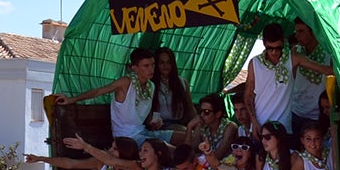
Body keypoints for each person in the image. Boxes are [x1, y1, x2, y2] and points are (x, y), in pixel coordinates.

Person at [54, 47, 182, 144]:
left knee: (186, 137)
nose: (151, 69)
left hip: (144, 132)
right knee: (167, 149)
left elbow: (145, 117)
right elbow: (98, 92)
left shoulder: (151, 86)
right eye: (146, 66)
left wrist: (154, 122)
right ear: (135, 68)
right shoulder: (126, 82)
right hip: (126, 138)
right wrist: (72, 99)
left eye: (153, 65)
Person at [240, 23, 333, 137]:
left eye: (278, 48)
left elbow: (324, 69)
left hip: (283, 130)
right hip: (260, 128)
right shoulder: (254, 63)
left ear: (283, 42)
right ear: (264, 43)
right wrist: (253, 121)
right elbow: (248, 95)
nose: (274, 52)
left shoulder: (293, 58)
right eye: (270, 48)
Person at [289, 17, 332, 137]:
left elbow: (333, 72)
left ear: (313, 31)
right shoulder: (295, 51)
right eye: (296, 31)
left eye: (301, 31)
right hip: (296, 111)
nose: (297, 35)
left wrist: (305, 62)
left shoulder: (328, 52)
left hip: (318, 115)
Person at [184, 93, 239, 158]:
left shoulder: (229, 127)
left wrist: (198, 156)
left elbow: (218, 156)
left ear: (218, 114)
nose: (201, 115)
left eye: (206, 112)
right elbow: (188, 152)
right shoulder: (202, 126)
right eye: (200, 111)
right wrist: (189, 126)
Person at [150, 47, 193, 127]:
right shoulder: (151, 84)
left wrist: (198, 123)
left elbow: (190, 108)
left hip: (179, 123)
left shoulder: (182, 82)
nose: (165, 66)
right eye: (161, 62)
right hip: (159, 125)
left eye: (168, 62)